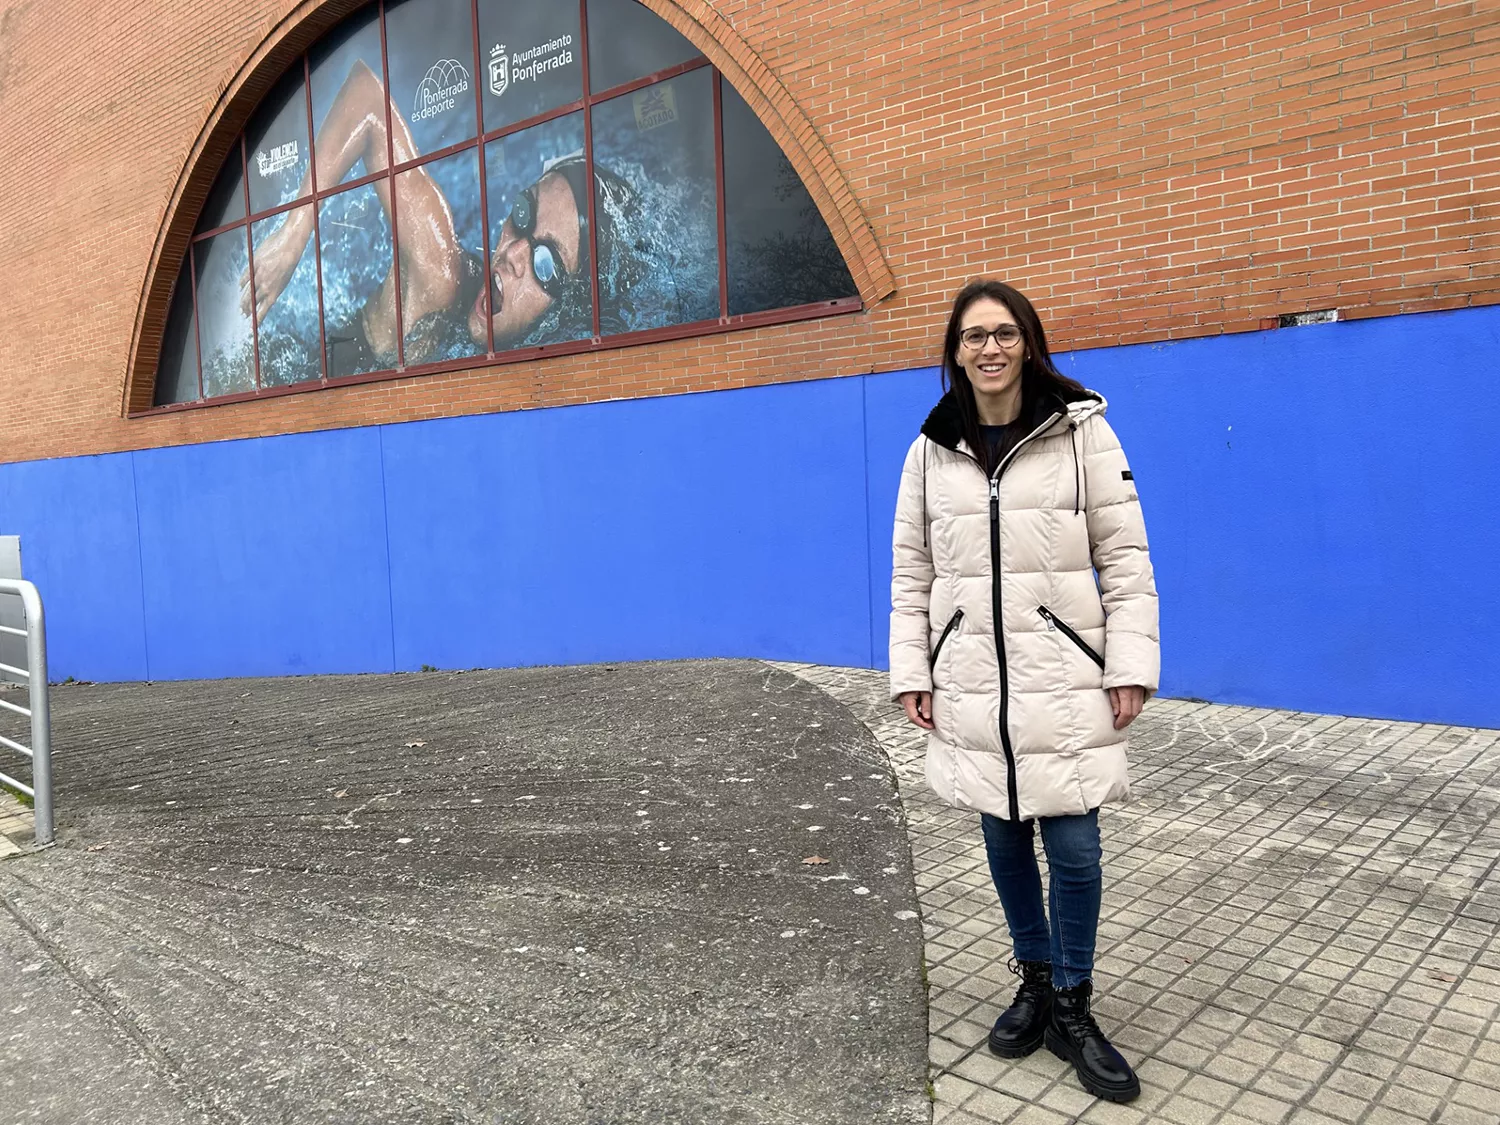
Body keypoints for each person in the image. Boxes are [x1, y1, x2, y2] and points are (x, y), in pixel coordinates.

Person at [889, 279, 1159, 1104]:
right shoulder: (931, 449)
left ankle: (1074, 1001)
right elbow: (911, 572)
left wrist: (1129, 665)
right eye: (974, 336)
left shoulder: (1082, 433)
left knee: (1073, 847)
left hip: (1064, 671)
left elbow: (1126, 558)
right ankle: (1034, 980)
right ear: (955, 351)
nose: (990, 349)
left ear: (1029, 343)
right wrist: (913, 668)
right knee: (1004, 838)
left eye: (1005, 333)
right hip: (972, 677)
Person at [243, 59, 642, 371]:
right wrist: (294, 234)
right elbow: (367, 98)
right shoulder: (442, 276)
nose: (513, 253)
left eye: (546, 264)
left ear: (569, 305)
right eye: (524, 213)